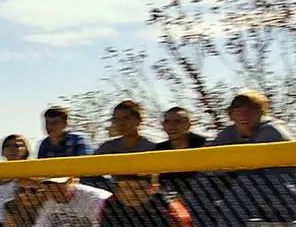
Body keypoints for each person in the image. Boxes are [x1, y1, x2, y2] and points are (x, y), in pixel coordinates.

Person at [203, 89, 296, 224]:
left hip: (286, 185)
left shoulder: (272, 129)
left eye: (250, 110)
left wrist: (226, 165)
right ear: (231, 115)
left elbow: (255, 164)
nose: (244, 115)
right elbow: (208, 163)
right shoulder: (228, 133)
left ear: (261, 112)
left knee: (249, 180)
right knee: (203, 182)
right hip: (251, 189)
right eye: (238, 110)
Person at [152, 107, 206, 200]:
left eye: (178, 121)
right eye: (167, 122)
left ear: (188, 124)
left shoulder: (204, 146)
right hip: (170, 200)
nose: (172, 126)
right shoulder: (159, 150)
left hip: (201, 197)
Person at [98, 175, 190, 227]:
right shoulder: (111, 206)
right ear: (117, 191)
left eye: (140, 188)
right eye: (127, 188)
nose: (133, 193)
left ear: (152, 189)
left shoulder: (172, 209)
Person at [30, 177, 111, 227]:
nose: (53, 192)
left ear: (71, 181)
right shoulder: (48, 202)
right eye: (48, 187)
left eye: (58, 187)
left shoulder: (99, 198)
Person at [0, 135, 32, 225]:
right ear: (3, 150)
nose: (12, 149)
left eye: (17, 145)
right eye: (8, 145)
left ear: (25, 150)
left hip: (13, 219)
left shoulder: (29, 172)